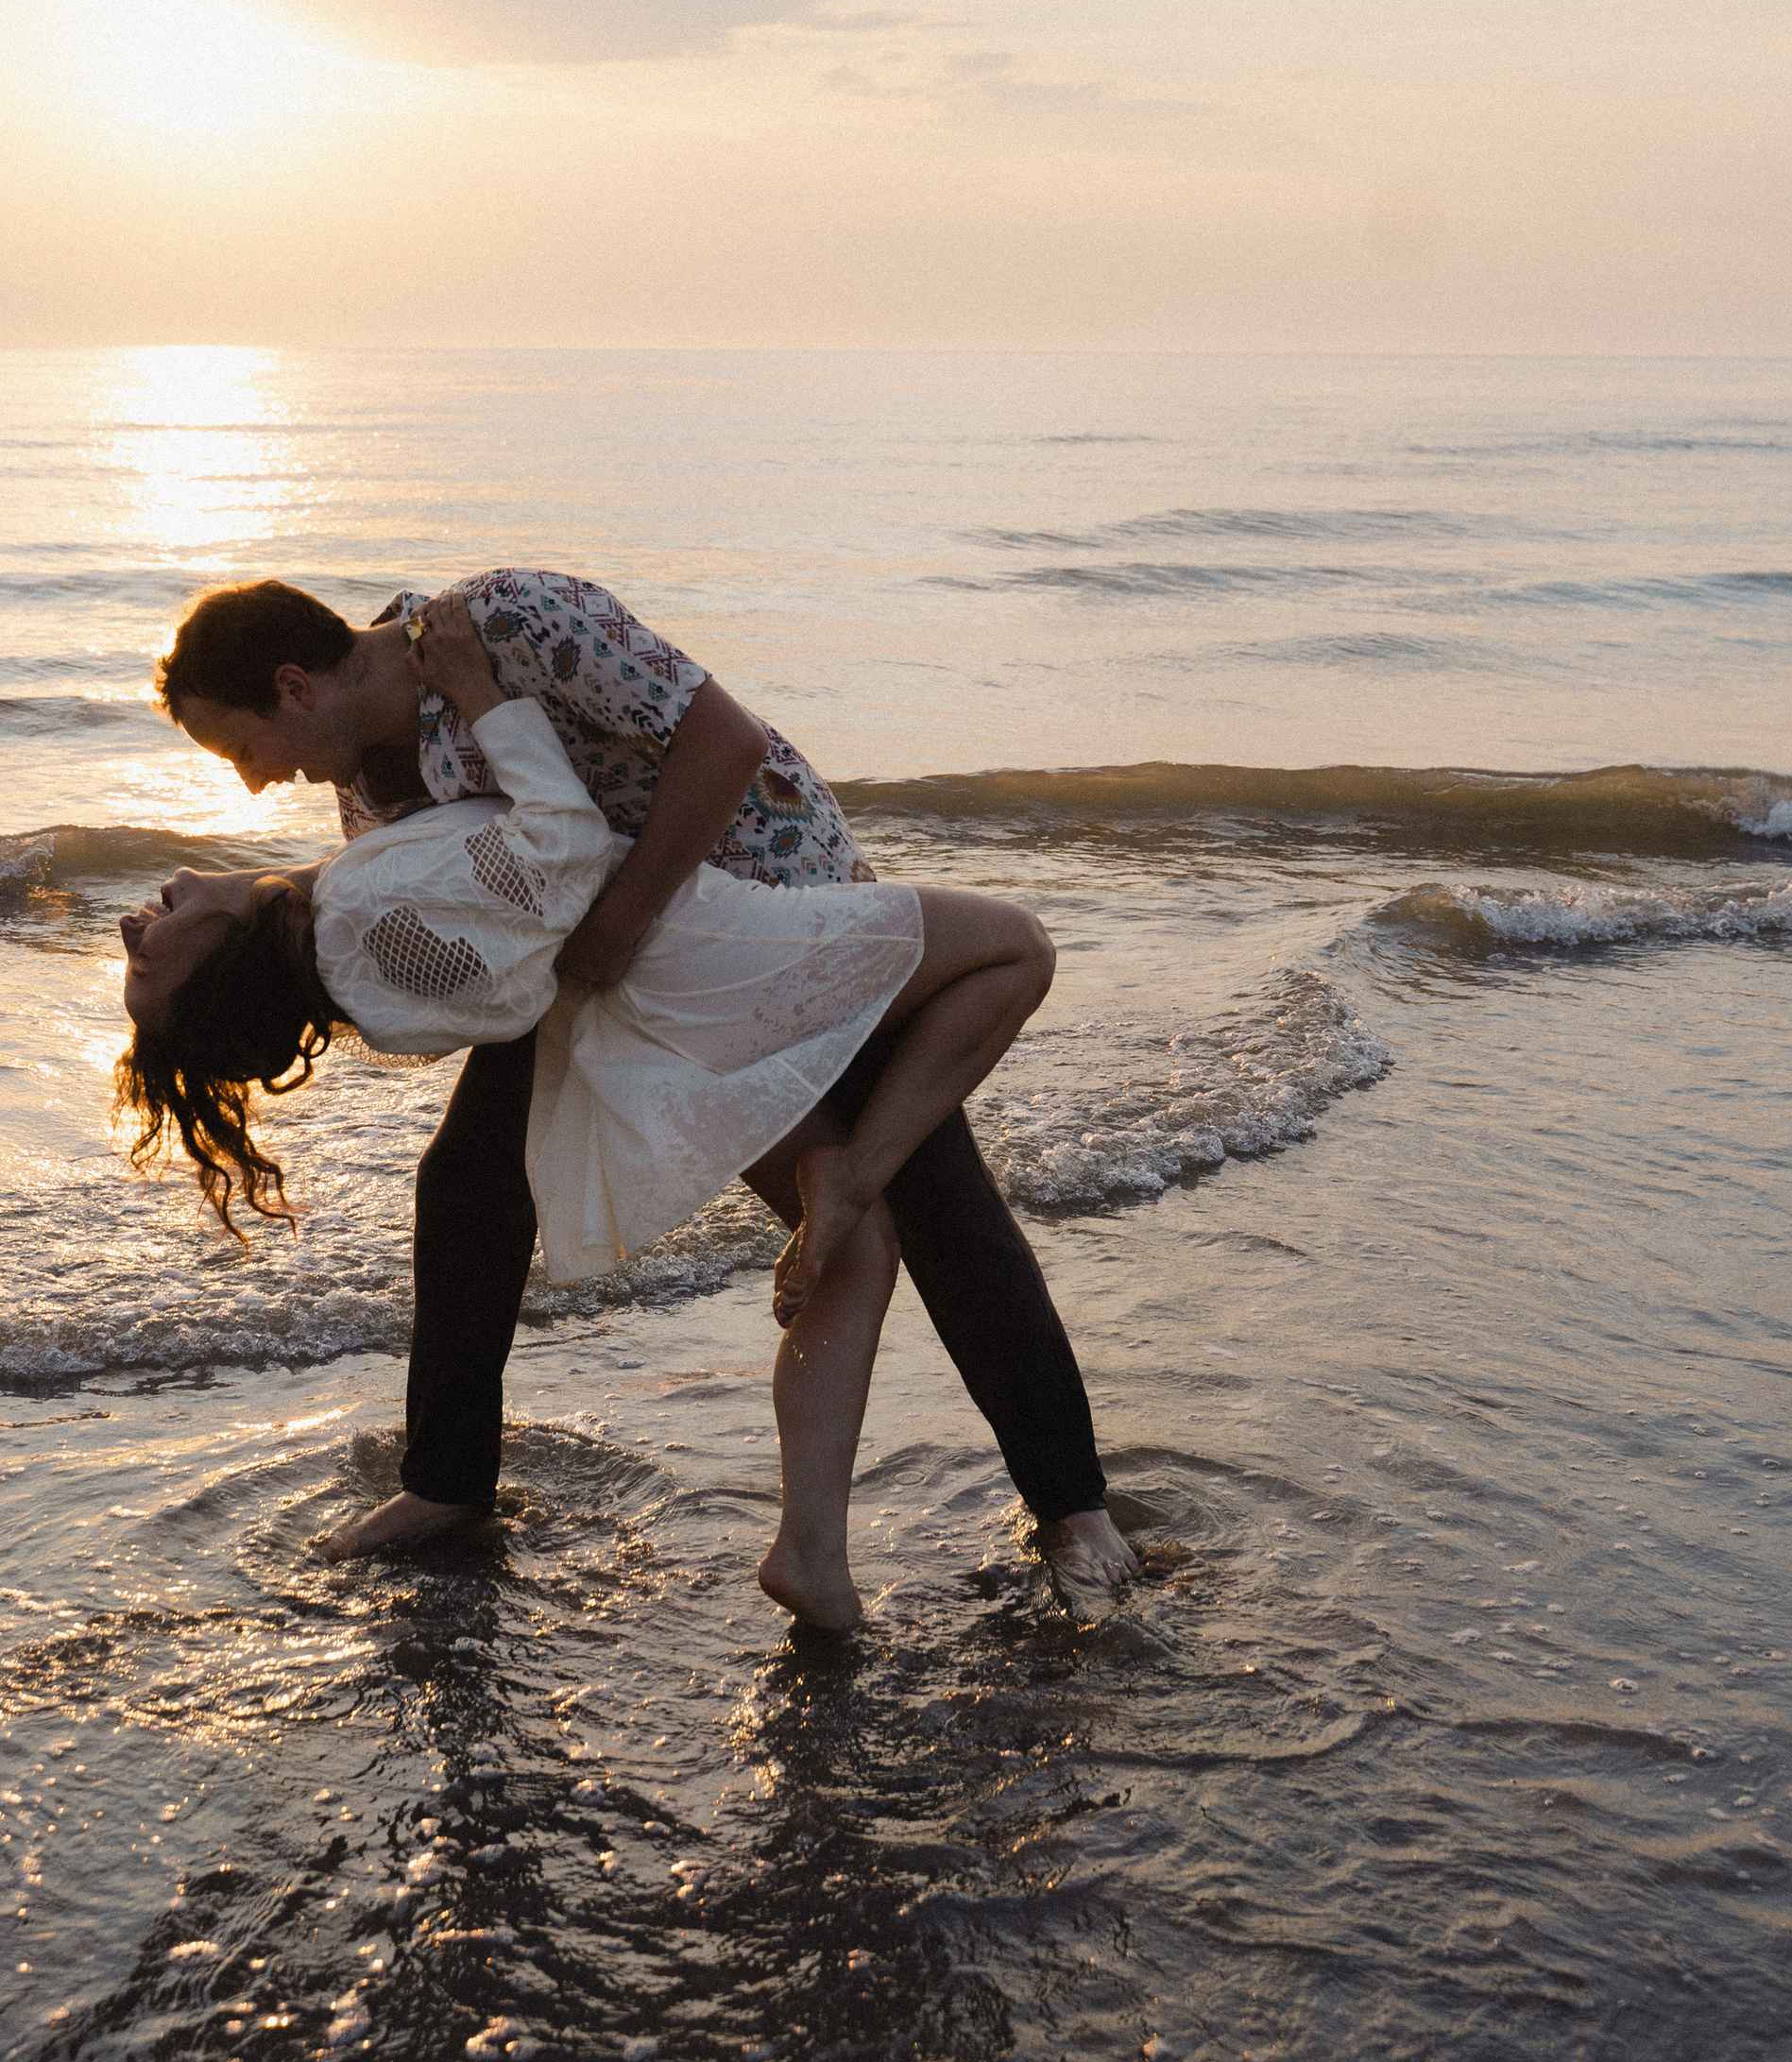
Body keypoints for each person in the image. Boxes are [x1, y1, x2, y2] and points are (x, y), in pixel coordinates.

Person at [148, 564, 1141, 1611]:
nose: (254, 783)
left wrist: (619, 923)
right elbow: (450, 881)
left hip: (762, 909)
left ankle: (1072, 1506)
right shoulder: (361, 784)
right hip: (604, 979)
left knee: (936, 1200)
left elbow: (727, 748)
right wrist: (250, 901)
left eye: (240, 750)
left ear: (296, 686)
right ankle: (446, 1487)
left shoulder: (516, 621)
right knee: (468, 1184)